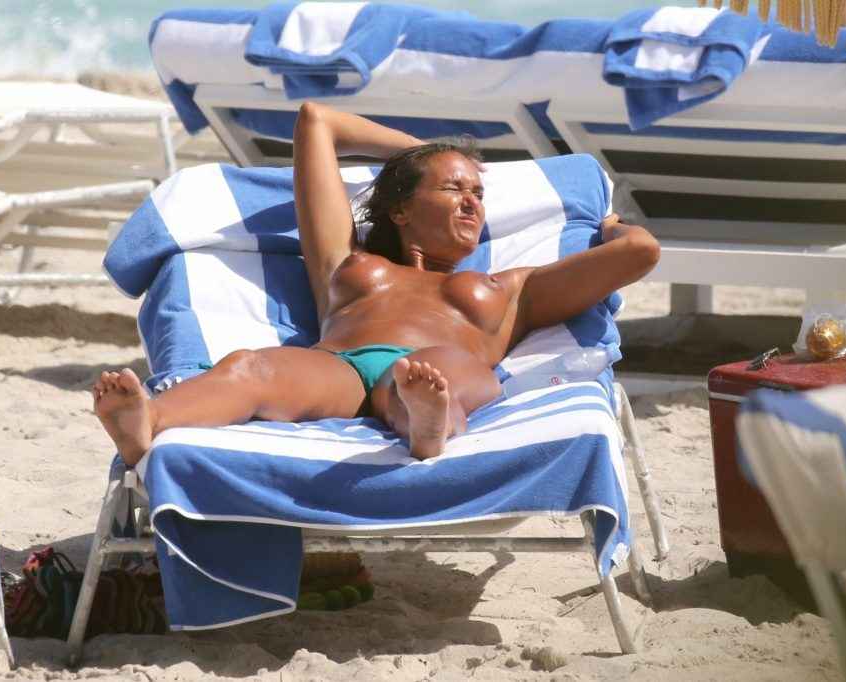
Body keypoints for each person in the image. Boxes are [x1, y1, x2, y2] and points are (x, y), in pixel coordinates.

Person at [94, 102, 660, 465]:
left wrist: (610, 224)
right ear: (400, 210)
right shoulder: (346, 262)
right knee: (249, 367)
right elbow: (317, 120)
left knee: (430, 374)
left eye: (479, 194)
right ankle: (148, 421)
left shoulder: (510, 289)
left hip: (437, 368)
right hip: (339, 367)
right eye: (453, 188)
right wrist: (420, 152)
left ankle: (428, 425)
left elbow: (640, 252)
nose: (472, 202)